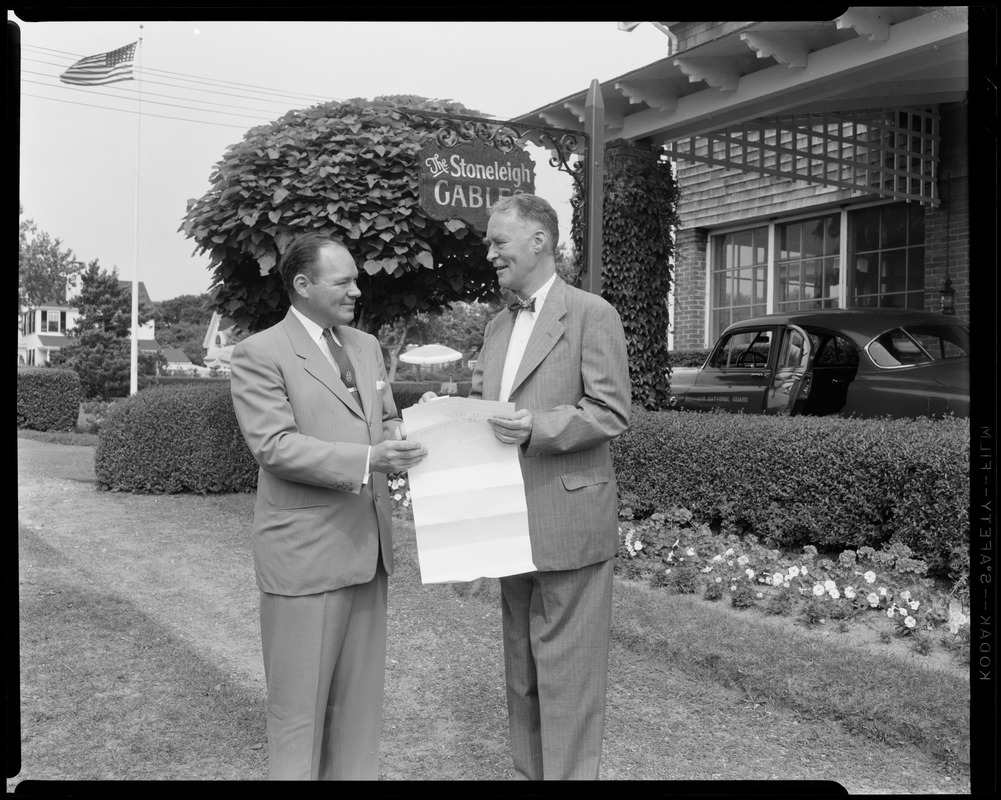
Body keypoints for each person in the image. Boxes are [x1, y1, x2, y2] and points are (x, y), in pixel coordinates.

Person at [229, 232, 428, 780]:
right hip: (305, 559)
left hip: (369, 552)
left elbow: (384, 421)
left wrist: (419, 426)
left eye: (355, 279)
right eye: (342, 281)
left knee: (358, 717)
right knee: (298, 719)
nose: (356, 291)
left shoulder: (364, 347)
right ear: (302, 285)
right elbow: (275, 446)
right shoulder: (259, 353)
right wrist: (370, 458)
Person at [473, 193, 631, 779]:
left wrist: (537, 426)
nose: (489, 252)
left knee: (568, 677)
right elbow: (489, 413)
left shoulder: (593, 313)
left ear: (539, 240)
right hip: (508, 522)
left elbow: (610, 412)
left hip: (569, 522)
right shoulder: (495, 327)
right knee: (523, 673)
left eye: (498, 241)